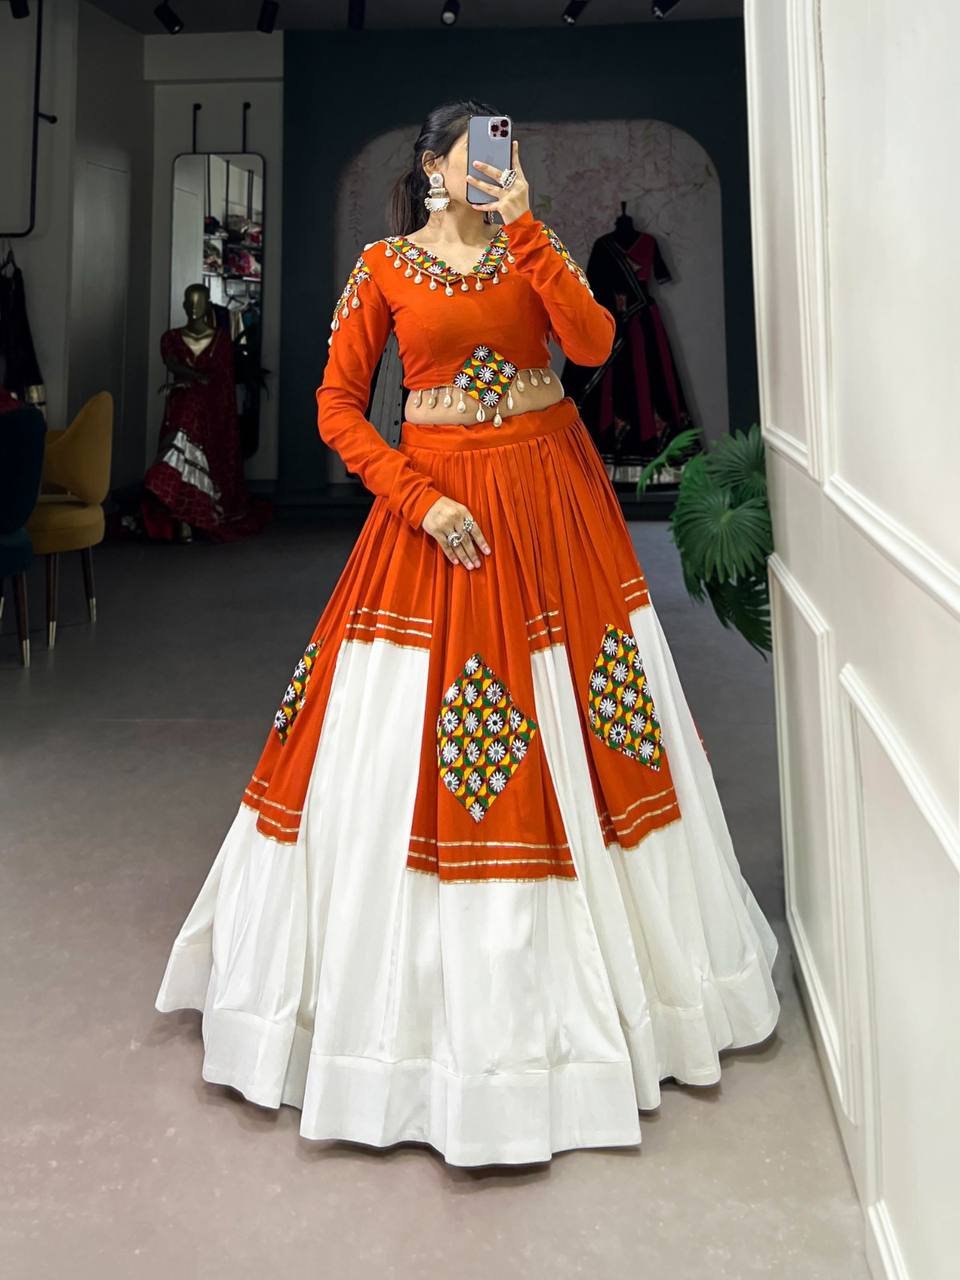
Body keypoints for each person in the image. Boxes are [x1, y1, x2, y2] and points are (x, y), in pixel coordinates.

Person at [154, 100, 781, 1168]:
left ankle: (632, 999)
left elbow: (593, 345)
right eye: (477, 153)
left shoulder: (533, 249)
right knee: (400, 740)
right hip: (439, 506)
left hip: (555, 498)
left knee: (596, 721)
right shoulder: (382, 268)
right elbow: (337, 408)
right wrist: (418, 498)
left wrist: (529, 228)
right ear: (433, 167)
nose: (497, 166)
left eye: (509, 152)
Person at [141, 283, 271, 543]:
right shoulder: (171, 339)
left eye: (198, 301)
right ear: (183, 304)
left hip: (211, 408)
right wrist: (191, 380)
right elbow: (173, 364)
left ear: (207, 304)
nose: (193, 307)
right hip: (183, 404)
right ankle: (179, 513)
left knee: (191, 443)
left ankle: (192, 515)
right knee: (179, 442)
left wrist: (193, 381)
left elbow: (221, 381)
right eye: (189, 301)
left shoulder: (220, 340)